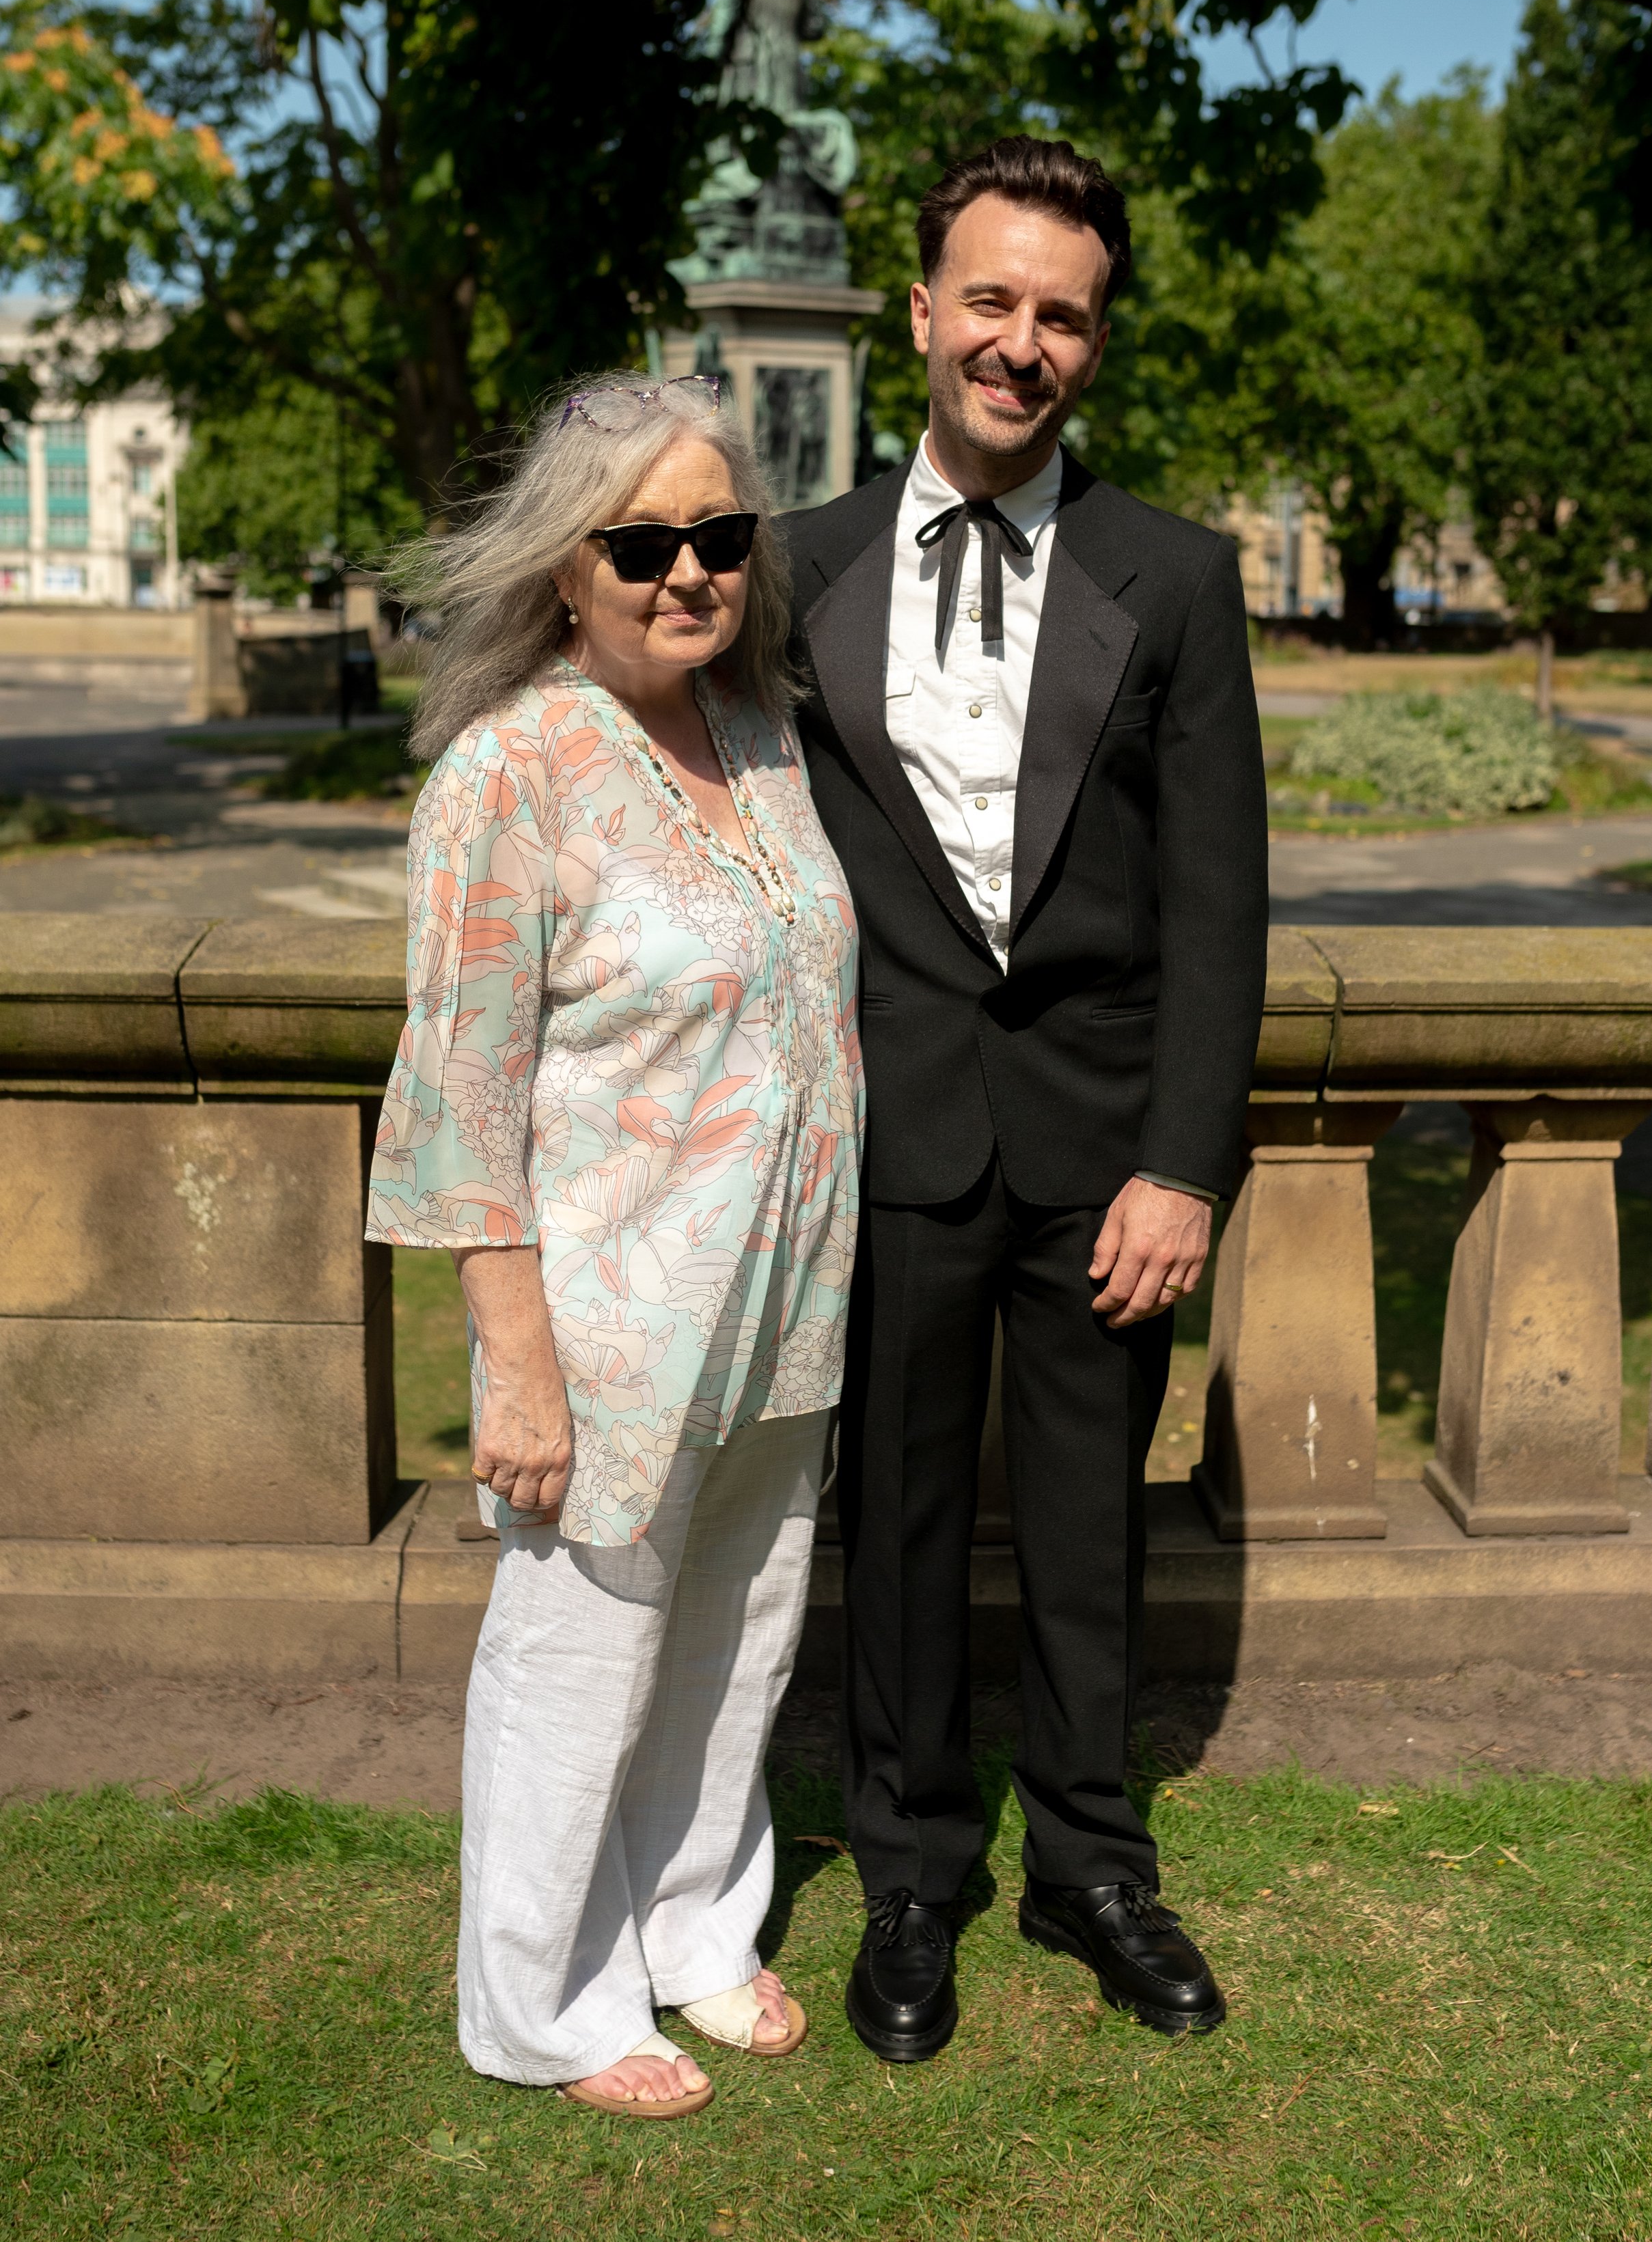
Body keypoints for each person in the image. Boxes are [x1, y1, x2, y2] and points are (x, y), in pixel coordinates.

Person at [786, 137, 1269, 2062]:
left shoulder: (1179, 578)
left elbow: (1219, 900)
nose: (1019, 342)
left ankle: (1091, 1864)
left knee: (1088, 1527)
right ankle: (908, 1874)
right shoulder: (794, 565)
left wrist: (1183, 1165)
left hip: (1097, 1158)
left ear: (1093, 344)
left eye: (1059, 313)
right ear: (920, 312)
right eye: (988, 299)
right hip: (890, 1139)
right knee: (888, 1527)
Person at [367, 375, 862, 2119]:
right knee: (579, 1660)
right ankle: (545, 2000)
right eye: (641, 542)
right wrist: (513, 1358)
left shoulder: (761, 732)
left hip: (783, 1295)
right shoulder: (508, 777)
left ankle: (696, 1928)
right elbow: (457, 1101)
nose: (686, 572)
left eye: (718, 536)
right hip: (605, 1325)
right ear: (562, 568)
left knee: (741, 1633)